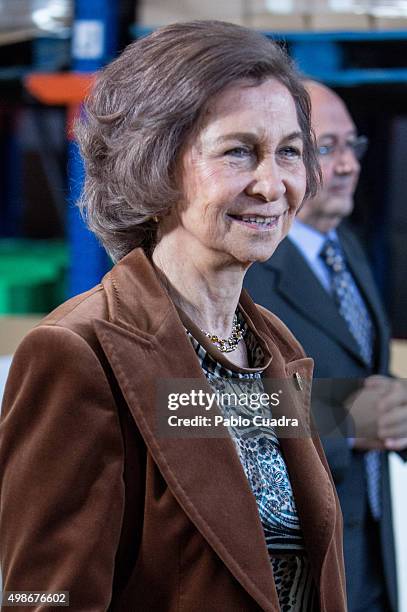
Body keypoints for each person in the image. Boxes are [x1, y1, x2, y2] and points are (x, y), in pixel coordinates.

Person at [0, 24, 346, 611]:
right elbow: (44, 599)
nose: (273, 184)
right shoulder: (78, 353)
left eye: (289, 151)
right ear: (153, 163)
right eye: (239, 151)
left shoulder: (274, 346)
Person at [245, 80, 407, 612]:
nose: (348, 166)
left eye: (352, 146)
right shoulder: (245, 270)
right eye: (326, 148)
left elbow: (365, 373)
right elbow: (192, 406)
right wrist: (342, 419)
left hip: (371, 549)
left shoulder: (345, 246)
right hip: (301, 564)